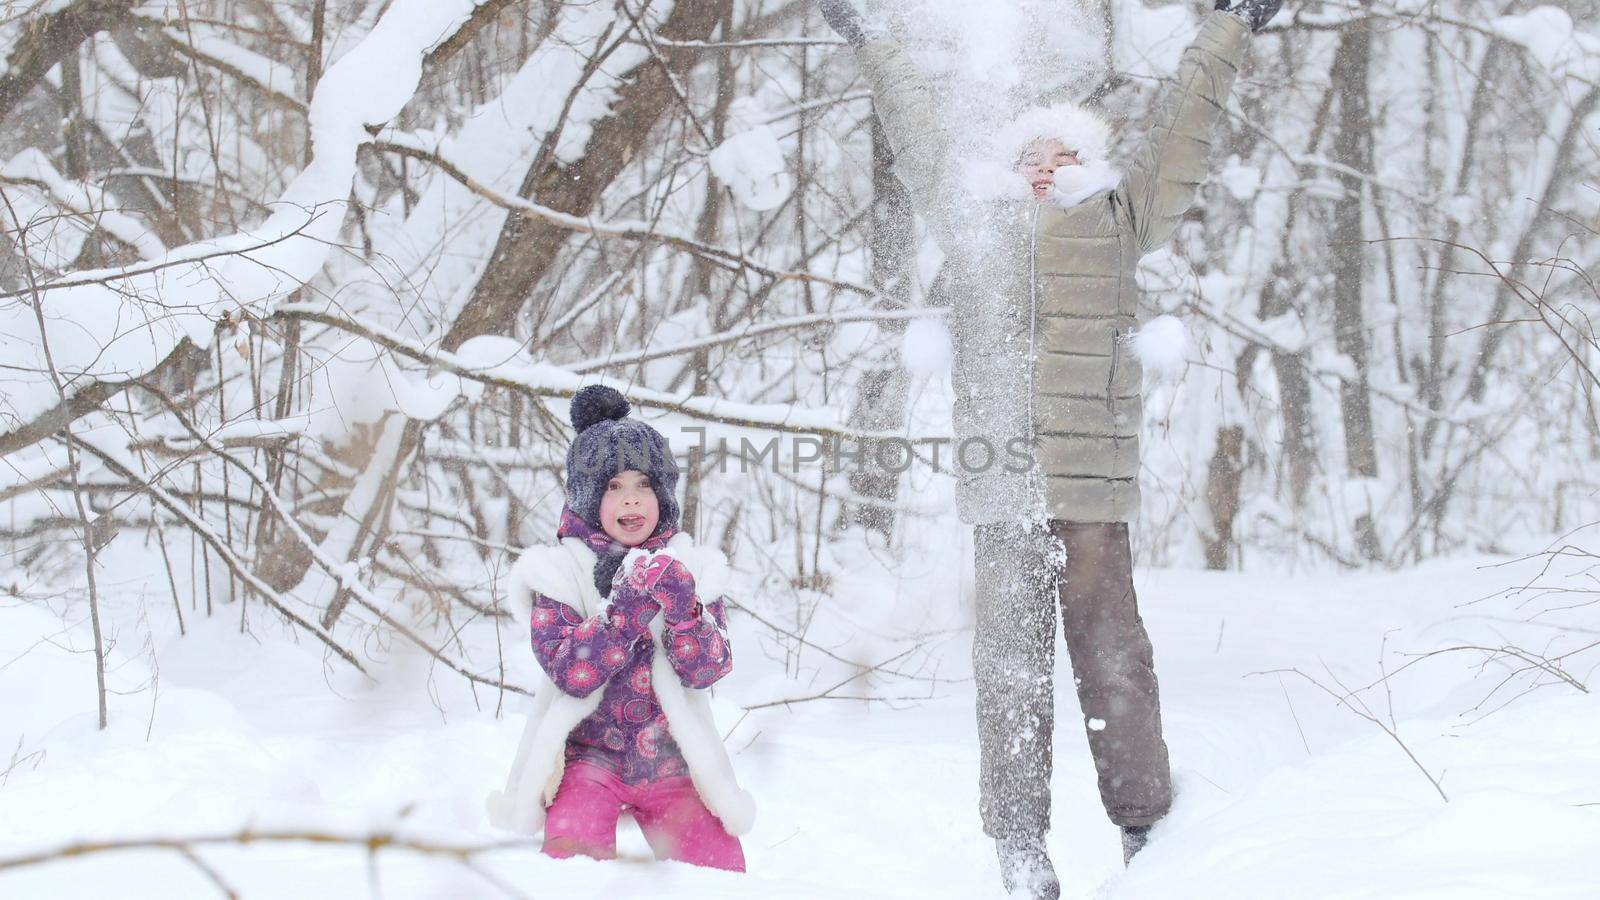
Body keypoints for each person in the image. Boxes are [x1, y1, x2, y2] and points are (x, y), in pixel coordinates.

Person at [817, 0, 1282, 896]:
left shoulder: (1120, 220)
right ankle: (1020, 847)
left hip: (1093, 494)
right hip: (1003, 498)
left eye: (1062, 156)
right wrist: (874, 37)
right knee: (1009, 679)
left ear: (1093, 166)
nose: (1044, 170)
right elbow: (915, 131)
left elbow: (1185, 130)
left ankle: (1146, 830)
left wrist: (1228, 28)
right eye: (1029, 158)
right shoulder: (974, 222)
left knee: (1116, 665)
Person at [486, 384, 754, 871]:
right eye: (613, 487)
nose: (631, 501)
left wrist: (682, 609)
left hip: (673, 763)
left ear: (663, 494)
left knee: (722, 876)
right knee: (572, 867)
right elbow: (570, 671)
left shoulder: (687, 565)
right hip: (589, 762)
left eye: (643, 485)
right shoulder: (559, 570)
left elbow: (708, 670)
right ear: (589, 496)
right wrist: (624, 611)